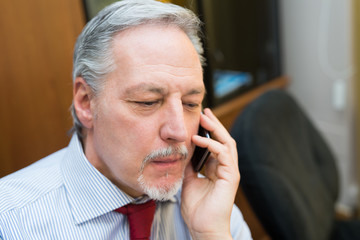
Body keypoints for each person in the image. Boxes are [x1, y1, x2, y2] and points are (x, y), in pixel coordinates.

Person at [0, 0, 252, 239]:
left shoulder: (210, 203)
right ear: (86, 102)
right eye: (147, 102)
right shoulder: (10, 223)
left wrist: (211, 235)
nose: (180, 132)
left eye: (190, 104)